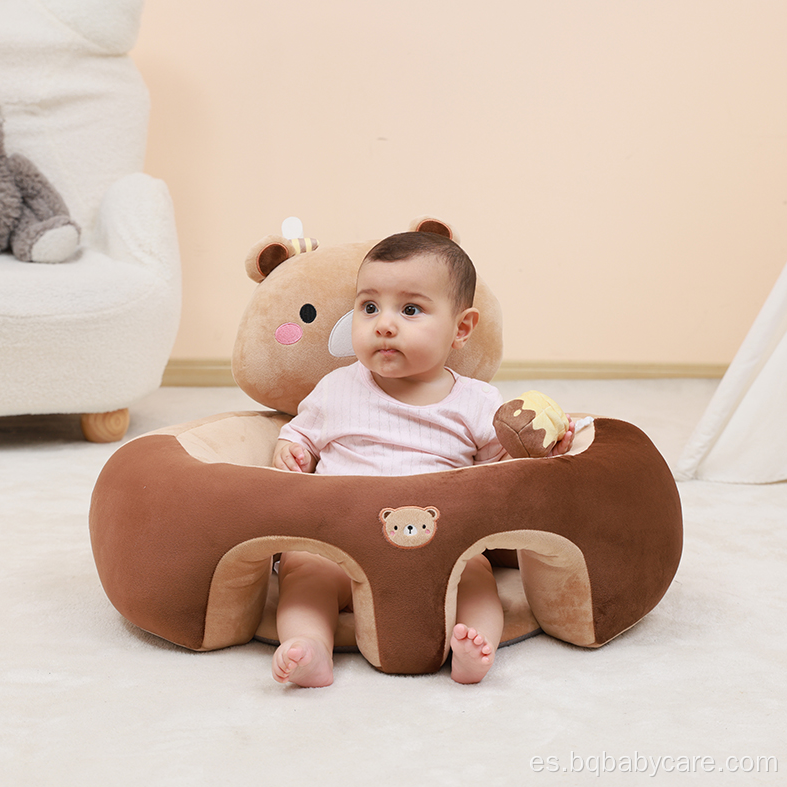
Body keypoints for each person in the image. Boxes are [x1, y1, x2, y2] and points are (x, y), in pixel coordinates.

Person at [271, 231, 575, 687]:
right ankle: (310, 646)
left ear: (462, 328)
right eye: (369, 307)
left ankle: (471, 645)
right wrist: (289, 449)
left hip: (437, 545)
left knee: (475, 576)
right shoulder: (336, 389)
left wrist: (543, 450)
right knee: (302, 575)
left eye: (410, 310)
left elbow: (503, 471)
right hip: (339, 541)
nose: (384, 325)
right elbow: (299, 435)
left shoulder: (476, 401)